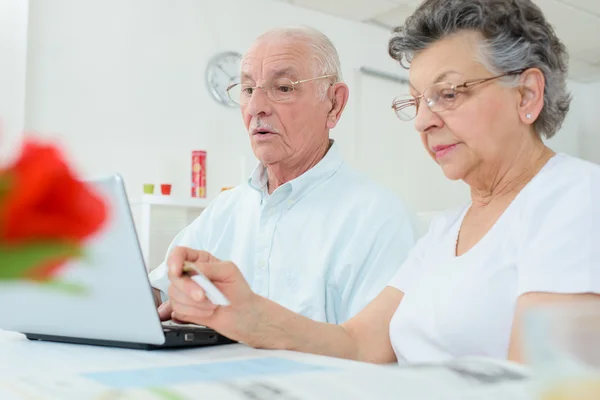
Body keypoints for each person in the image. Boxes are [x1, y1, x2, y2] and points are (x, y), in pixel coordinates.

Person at [163, 0, 600, 364]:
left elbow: (545, 388)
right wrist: (249, 315)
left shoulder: (574, 198)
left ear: (526, 96)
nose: (424, 121)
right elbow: (359, 343)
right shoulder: (447, 231)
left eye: (448, 94)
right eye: (416, 100)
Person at [150, 26, 416, 324]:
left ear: (334, 104)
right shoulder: (226, 210)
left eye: (284, 88)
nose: (256, 107)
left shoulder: (378, 218)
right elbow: (158, 292)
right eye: (248, 89)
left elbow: (372, 350)